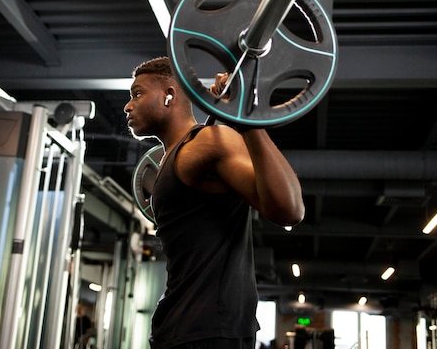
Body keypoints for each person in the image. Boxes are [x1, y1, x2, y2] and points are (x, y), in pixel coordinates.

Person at [124, 56, 305, 349]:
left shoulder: (209, 140)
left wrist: (246, 117)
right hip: (179, 326)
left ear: (170, 94)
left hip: (209, 330)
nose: (127, 106)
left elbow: (290, 210)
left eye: (137, 94)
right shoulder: (173, 158)